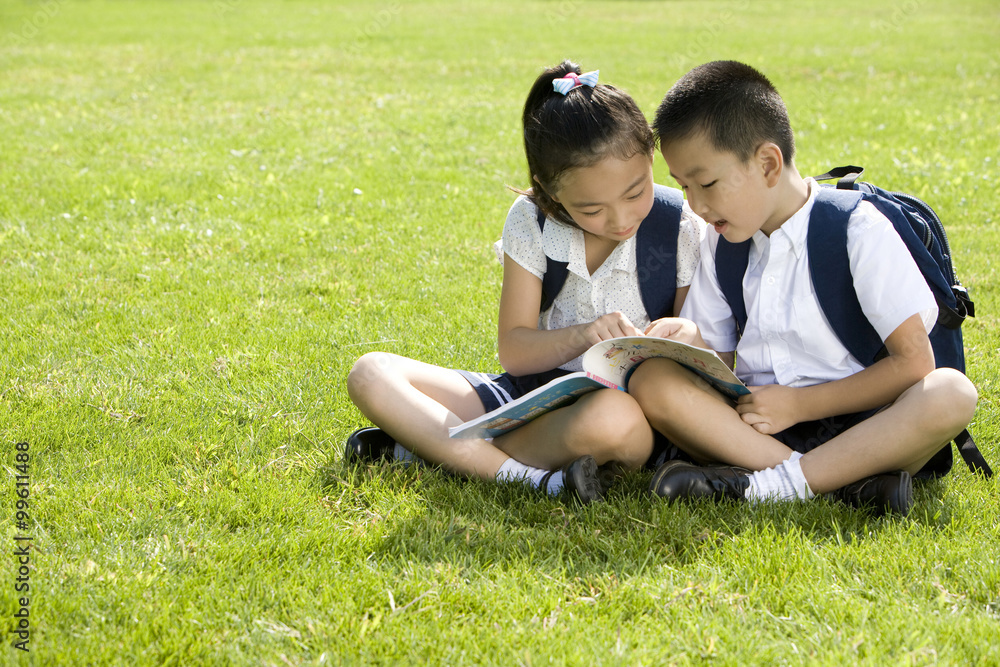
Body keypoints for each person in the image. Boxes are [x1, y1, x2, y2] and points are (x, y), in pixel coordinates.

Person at [628, 60, 978, 516]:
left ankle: (774, 484)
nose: (695, 204)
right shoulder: (719, 243)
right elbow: (723, 370)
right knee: (654, 381)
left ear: (769, 163)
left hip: (870, 428)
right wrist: (694, 344)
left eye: (707, 182)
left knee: (951, 392)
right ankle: (846, 486)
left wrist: (799, 403)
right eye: (683, 187)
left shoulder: (855, 229)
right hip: (760, 428)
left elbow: (914, 363)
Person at [346, 61, 704, 503]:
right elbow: (515, 352)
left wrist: (686, 336)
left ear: (651, 156)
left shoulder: (679, 227)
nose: (620, 218)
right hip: (529, 397)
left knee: (614, 420)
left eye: (635, 192)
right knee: (370, 373)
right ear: (549, 192)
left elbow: (693, 362)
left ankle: (427, 449)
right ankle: (532, 478)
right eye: (591, 209)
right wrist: (583, 336)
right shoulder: (533, 220)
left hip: (620, 412)